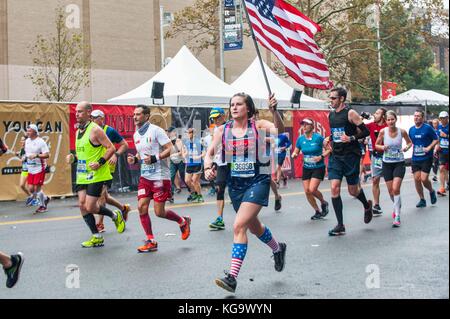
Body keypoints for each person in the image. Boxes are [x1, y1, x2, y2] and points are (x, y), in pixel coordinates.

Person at [205, 93, 287, 293]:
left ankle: (232, 277)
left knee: (239, 225)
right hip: (236, 185)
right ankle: (278, 248)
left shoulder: (258, 126)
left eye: (239, 104)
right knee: (254, 226)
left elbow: (280, 131)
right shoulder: (222, 130)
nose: (234, 107)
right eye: (232, 104)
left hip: (258, 181)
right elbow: (209, 153)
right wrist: (208, 168)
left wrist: (275, 111)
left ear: (248, 108)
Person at [127, 105, 191, 253]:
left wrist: (156, 158)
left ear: (147, 116)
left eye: (138, 114)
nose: (135, 117)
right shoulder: (136, 135)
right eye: (134, 115)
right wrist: (135, 160)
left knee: (159, 212)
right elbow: (141, 154)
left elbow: (171, 148)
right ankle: (151, 241)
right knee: (141, 207)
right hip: (145, 177)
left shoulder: (156, 131)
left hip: (160, 176)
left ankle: (182, 221)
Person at [66, 101, 126, 248]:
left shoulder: (95, 130)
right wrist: (73, 158)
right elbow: (83, 153)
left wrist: (99, 162)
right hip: (82, 174)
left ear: (88, 113)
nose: (77, 114)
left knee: (91, 206)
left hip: (96, 174)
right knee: (82, 205)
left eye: (80, 111)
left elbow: (111, 148)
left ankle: (114, 215)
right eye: (76, 111)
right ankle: (96, 236)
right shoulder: (78, 131)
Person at [325, 87, 373, 236]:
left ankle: (366, 205)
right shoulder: (330, 115)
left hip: (351, 156)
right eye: (330, 98)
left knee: (353, 191)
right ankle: (340, 225)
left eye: (333, 98)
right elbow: (336, 133)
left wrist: (351, 138)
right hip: (336, 156)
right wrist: (329, 138)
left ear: (341, 99)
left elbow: (366, 131)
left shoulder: (350, 113)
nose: (331, 100)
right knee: (334, 187)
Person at [91, 109, 131, 233]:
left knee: (102, 195)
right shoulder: (90, 130)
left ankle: (100, 224)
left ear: (102, 119)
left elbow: (124, 145)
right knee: (104, 196)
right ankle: (123, 208)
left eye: (95, 118)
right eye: (91, 118)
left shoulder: (110, 131)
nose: (92, 120)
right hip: (96, 166)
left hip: (108, 167)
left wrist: (115, 155)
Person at [375, 111, 413, 227]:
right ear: (385, 121)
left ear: (395, 120)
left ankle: (397, 215)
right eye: (388, 120)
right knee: (391, 191)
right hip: (387, 164)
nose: (390, 122)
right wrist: (382, 147)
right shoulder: (383, 132)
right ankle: (397, 205)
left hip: (399, 163)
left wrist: (406, 148)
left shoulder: (402, 132)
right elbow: (376, 145)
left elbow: (410, 143)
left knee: (396, 189)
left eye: (392, 119)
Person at [292, 118, 330, 220]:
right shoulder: (300, 139)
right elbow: (296, 151)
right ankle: (317, 211)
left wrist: (321, 157)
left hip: (318, 167)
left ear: (312, 126)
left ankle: (323, 202)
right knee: (307, 191)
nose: (304, 126)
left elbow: (329, 150)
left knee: (312, 189)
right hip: (307, 168)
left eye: (306, 124)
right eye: (302, 124)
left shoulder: (318, 138)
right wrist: (294, 154)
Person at [409, 110, 439, 208]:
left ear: (422, 118)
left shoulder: (428, 128)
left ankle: (431, 191)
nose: (416, 117)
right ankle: (422, 199)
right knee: (417, 179)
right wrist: (406, 147)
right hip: (415, 158)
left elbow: (436, 139)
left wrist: (429, 147)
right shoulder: (411, 129)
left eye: (418, 116)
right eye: (415, 116)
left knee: (424, 178)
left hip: (426, 157)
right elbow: (410, 142)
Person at [208, 107, 228, 230]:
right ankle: (220, 219)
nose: (215, 120)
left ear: (223, 116)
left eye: (217, 117)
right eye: (213, 118)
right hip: (221, 163)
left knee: (236, 191)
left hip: (233, 163)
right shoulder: (215, 130)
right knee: (219, 189)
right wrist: (213, 163)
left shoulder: (231, 127)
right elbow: (214, 149)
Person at [25, 124, 51, 214]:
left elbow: (47, 154)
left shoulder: (41, 142)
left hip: (39, 168)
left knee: (37, 189)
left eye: (29, 131)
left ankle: (43, 206)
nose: (27, 132)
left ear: (35, 132)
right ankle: (45, 198)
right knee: (31, 189)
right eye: (27, 130)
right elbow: (27, 154)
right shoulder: (27, 141)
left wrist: (36, 155)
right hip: (30, 168)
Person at [366, 108, 388, 216]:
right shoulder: (371, 125)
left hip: (389, 156)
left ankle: (396, 203)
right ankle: (376, 205)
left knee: (391, 183)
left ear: (383, 116)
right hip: (377, 156)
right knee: (375, 180)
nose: (375, 114)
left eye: (377, 113)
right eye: (375, 112)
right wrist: (362, 118)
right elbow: (358, 127)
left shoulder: (388, 126)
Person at [182, 128, 205, 203]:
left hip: (197, 164)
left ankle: (200, 195)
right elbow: (184, 152)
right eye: (187, 133)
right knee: (187, 180)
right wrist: (184, 155)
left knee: (195, 180)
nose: (188, 134)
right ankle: (194, 193)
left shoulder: (199, 142)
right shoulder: (186, 142)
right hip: (189, 163)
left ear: (194, 133)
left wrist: (198, 157)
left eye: (189, 133)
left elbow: (204, 152)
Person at [168, 126, 187, 198]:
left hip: (180, 161)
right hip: (173, 162)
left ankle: (192, 191)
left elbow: (180, 153)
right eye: (168, 132)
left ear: (175, 132)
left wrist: (172, 154)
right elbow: (166, 152)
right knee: (171, 177)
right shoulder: (167, 142)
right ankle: (170, 195)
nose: (169, 133)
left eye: (170, 132)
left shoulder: (179, 141)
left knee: (183, 177)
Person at [15, 136, 34, 206]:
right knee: (22, 185)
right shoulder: (22, 149)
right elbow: (22, 158)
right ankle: (31, 196)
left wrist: (25, 158)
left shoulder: (30, 149)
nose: (21, 141)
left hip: (30, 170)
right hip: (24, 170)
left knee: (31, 187)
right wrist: (18, 155)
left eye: (23, 140)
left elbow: (31, 157)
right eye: (21, 140)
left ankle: (37, 199)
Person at [436, 111, 449, 196]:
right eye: (441, 118)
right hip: (442, 151)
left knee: (446, 169)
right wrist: (437, 146)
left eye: (444, 118)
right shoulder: (439, 126)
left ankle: (448, 182)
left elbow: (444, 136)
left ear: (447, 118)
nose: (442, 119)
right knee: (441, 168)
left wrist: (446, 136)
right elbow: (437, 138)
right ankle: (442, 188)